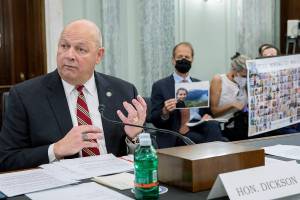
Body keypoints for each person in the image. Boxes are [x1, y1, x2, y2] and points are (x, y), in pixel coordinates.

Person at [0, 19, 147, 171]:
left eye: (80, 49)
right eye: (64, 46)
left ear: (98, 55)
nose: (69, 55)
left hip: (116, 183)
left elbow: (151, 154)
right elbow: (6, 158)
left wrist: (133, 137)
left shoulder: (124, 91)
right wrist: (56, 149)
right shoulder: (25, 96)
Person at [151, 42, 227, 149]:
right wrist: (165, 111)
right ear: (173, 60)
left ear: (192, 60)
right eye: (180, 57)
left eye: (187, 57)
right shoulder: (160, 86)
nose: (183, 59)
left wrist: (208, 116)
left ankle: (216, 161)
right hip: (175, 131)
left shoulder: (199, 84)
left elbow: (208, 112)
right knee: (203, 140)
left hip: (199, 125)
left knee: (213, 124)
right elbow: (154, 119)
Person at [210, 52, 250, 141]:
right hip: (223, 127)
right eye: (243, 76)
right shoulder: (219, 80)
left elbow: (245, 107)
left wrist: (245, 109)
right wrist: (231, 105)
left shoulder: (245, 83)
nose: (246, 78)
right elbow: (214, 112)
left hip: (241, 125)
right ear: (234, 71)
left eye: (248, 76)